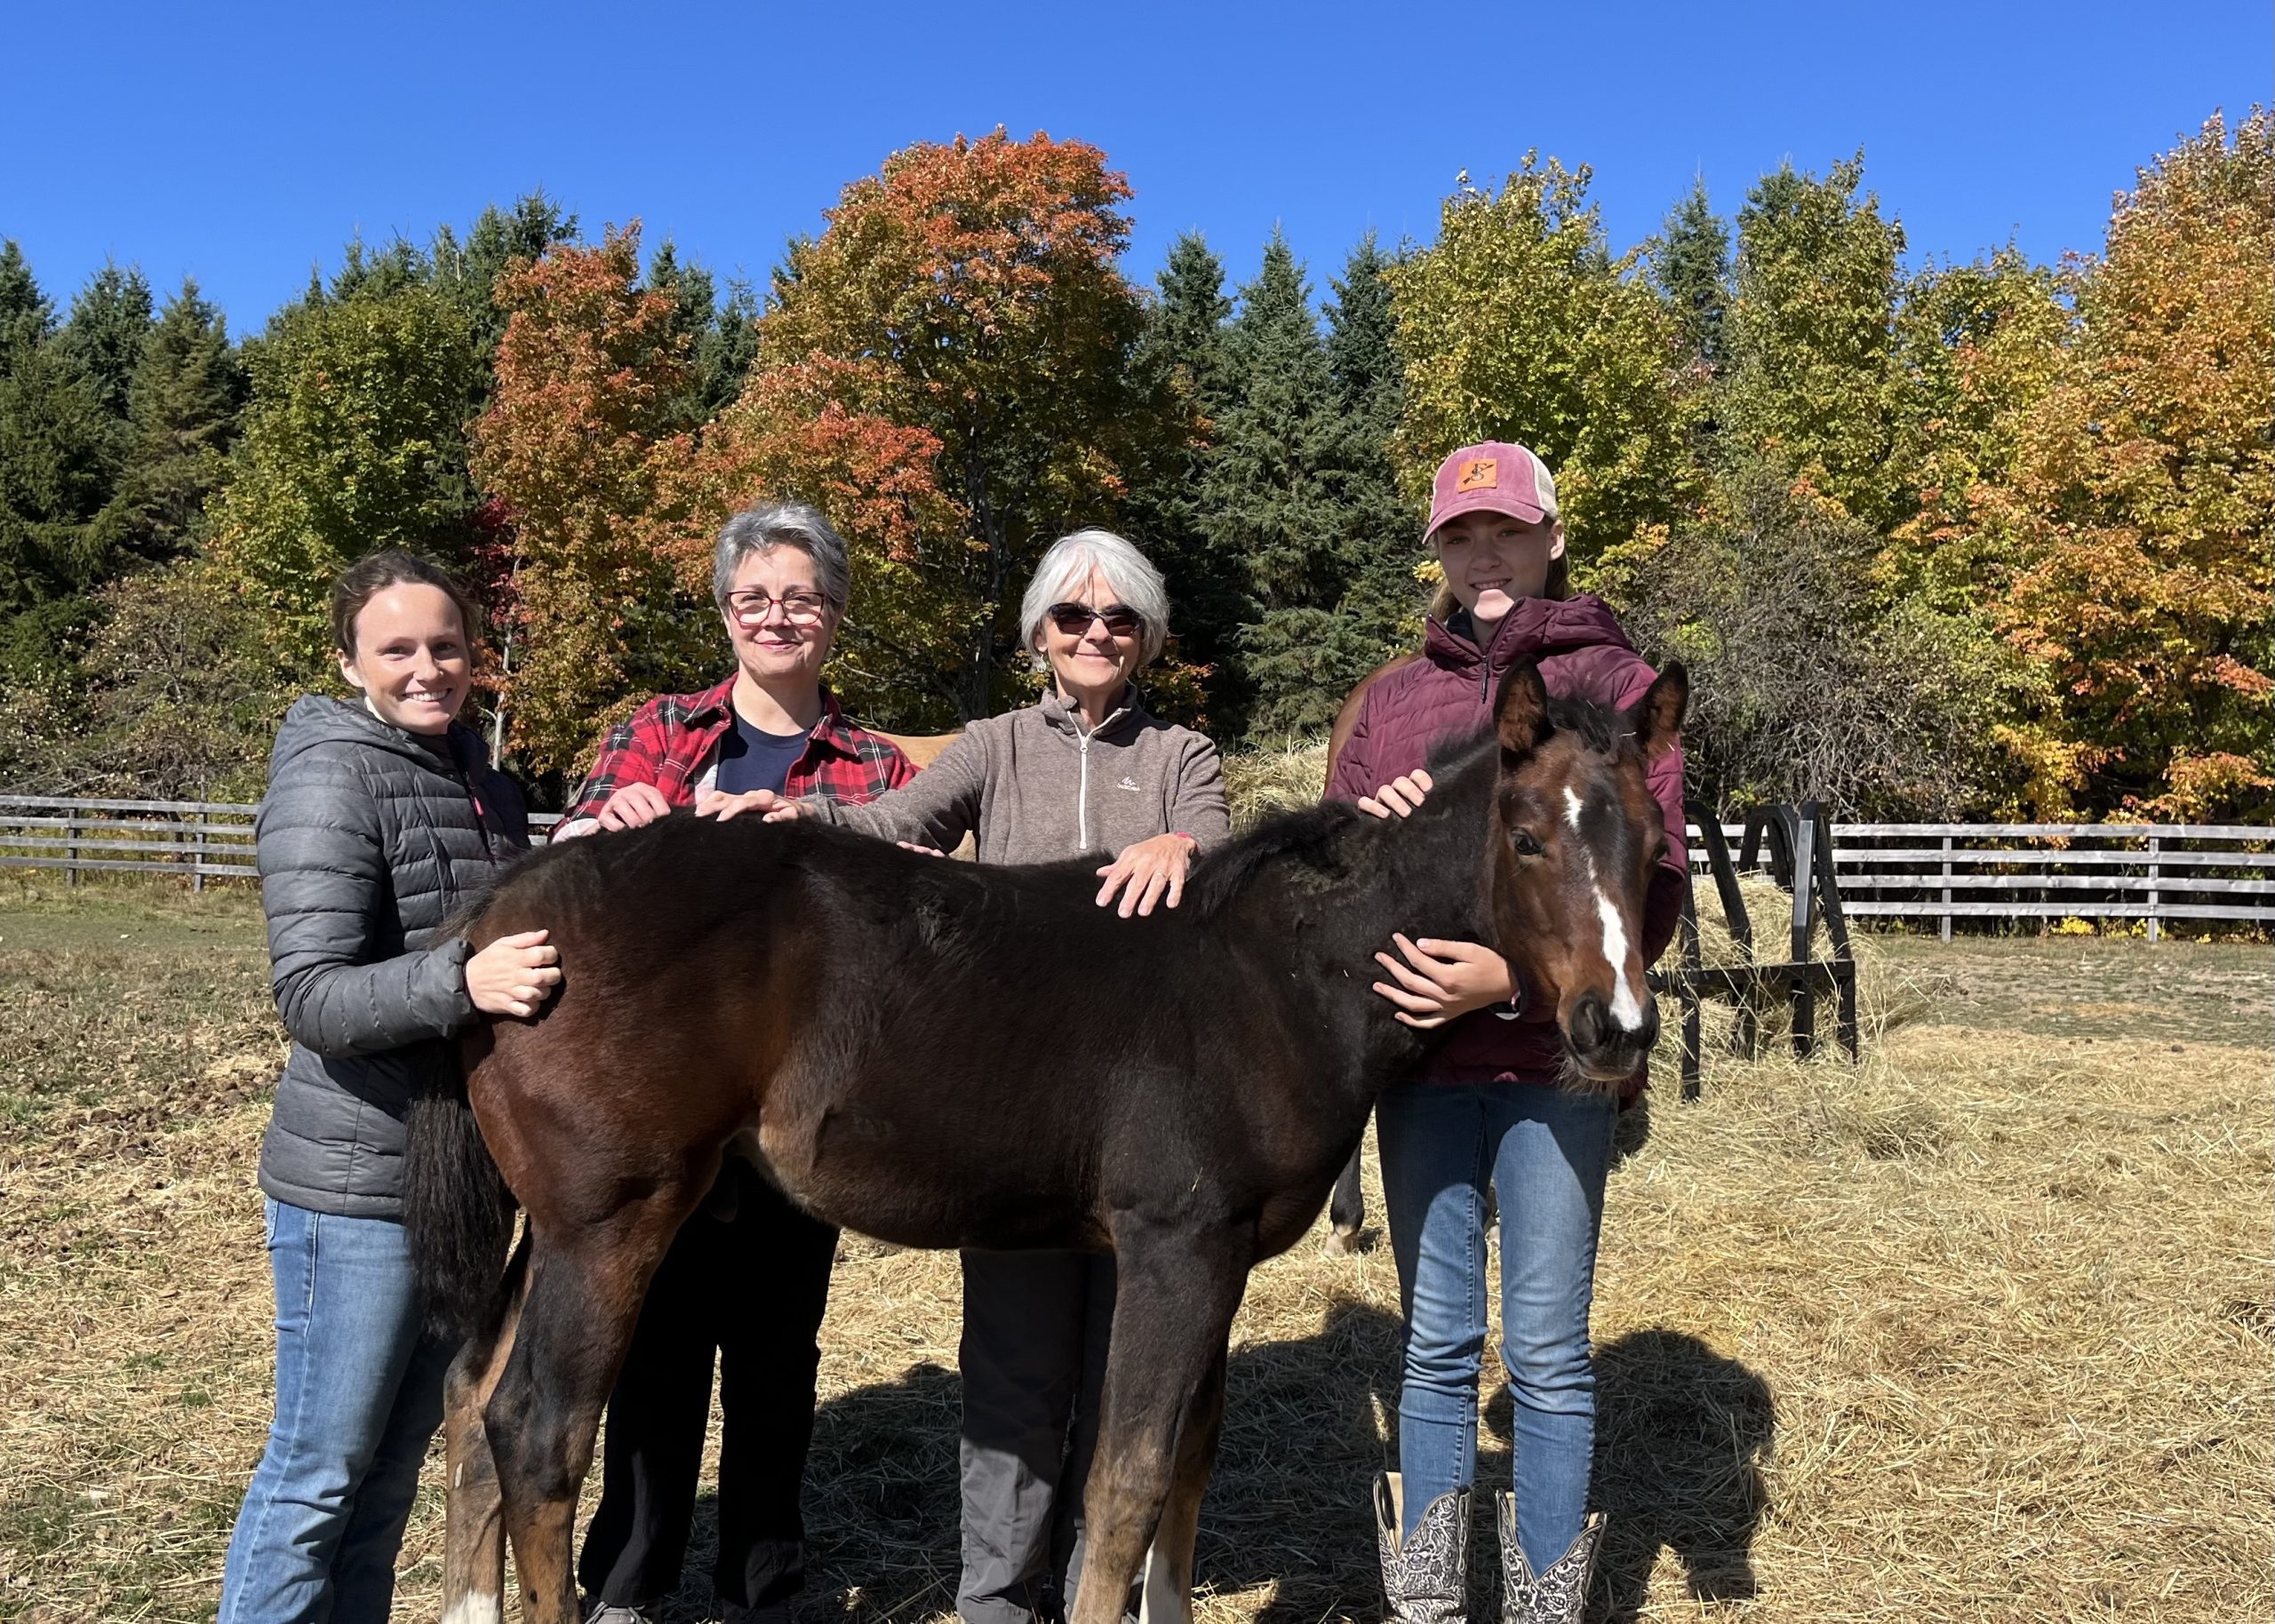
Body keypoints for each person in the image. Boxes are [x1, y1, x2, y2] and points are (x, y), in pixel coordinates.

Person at [732, 527, 1230, 1624]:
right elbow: (890, 822)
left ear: (1144, 636)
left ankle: (1121, 1585)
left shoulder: (1183, 753)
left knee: (1133, 1371)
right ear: (1039, 633)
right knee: (1012, 1368)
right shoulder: (996, 743)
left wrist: (1183, 849)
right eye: (1071, 616)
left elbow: (1216, 845)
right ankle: (1000, 1598)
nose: (1094, 634)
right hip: (1022, 1107)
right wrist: (799, 816)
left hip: (1154, 1107)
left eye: (1117, 618)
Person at [1326, 443, 1688, 1624]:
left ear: (1551, 538)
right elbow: (1333, 890)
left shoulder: (1621, 689)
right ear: (1438, 553)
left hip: (1550, 1072)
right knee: (1435, 1347)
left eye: (1506, 533)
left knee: (1544, 1352)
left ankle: (1541, 1606)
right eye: (1461, 538)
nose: (1484, 556)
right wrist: (1366, 835)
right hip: (1421, 1068)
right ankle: (1429, 1605)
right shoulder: (1390, 703)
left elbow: (1651, 891)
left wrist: (1511, 985)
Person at [554, 503, 914, 1624]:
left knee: (775, 1359)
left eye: (800, 596)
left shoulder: (877, 763)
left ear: (836, 617)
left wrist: (820, 841)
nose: (776, 616)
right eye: (753, 597)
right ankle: (628, 1580)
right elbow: (565, 868)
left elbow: (923, 925)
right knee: (651, 1346)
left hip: (809, 1105)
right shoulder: (659, 730)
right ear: (724, 614)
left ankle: (766, 1584)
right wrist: (606, 824)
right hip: (666, 1096)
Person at [220, 552, 560, 1624]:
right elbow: (313, 994)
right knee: (317, 1475)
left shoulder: (483, 778)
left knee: (387, 1482)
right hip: (354, 1184)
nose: (429, 668)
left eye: (447, 646)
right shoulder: (330, 776)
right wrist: (461, 985)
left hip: (453, 1178)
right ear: (348, 659)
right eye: (398, 649)